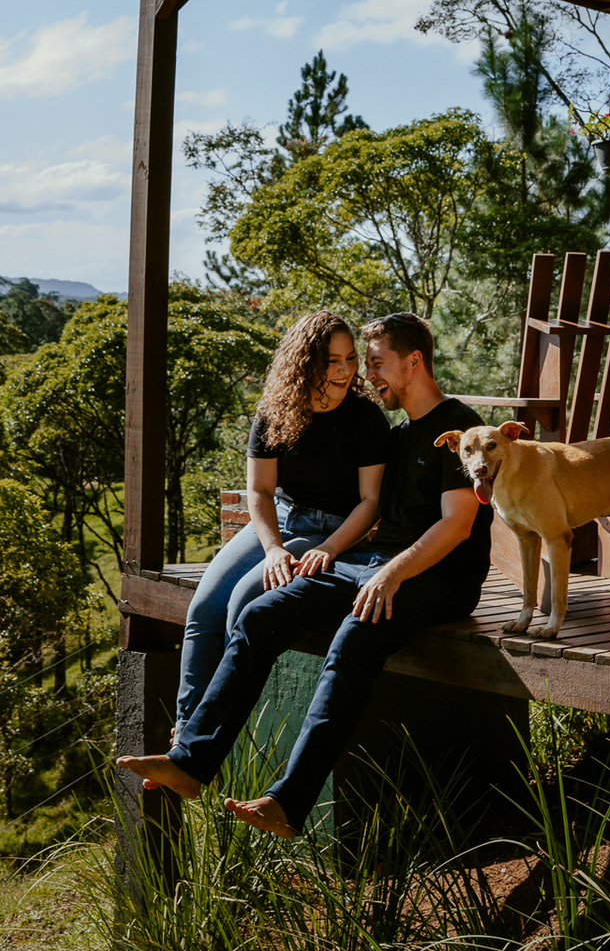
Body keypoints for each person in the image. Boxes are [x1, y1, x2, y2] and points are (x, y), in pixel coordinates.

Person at [118, 312, 489, 837]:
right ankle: (190, 763)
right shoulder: (400, 434)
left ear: (414, 361)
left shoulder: (459, 430)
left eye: (375, 362)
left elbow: (457, 526)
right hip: (373, 565)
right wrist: (367, 566)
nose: (368, 375)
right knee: (259, 615)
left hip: (438, 577)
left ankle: (287, 802)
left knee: (354, 639)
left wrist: (390, 574)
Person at [173, 311, 390, 730]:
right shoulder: (275, 412)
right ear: (305, 362)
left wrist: (329, 547)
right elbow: (259, 491)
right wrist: (272, 548)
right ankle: (185, 730)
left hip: (333, 531)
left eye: (350, 359)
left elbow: (371, 501)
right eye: (332, 360)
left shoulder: (365, 418)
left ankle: (210, 731)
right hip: (281, 522)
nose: (345, 370)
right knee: (204, 606)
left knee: (242, 601)